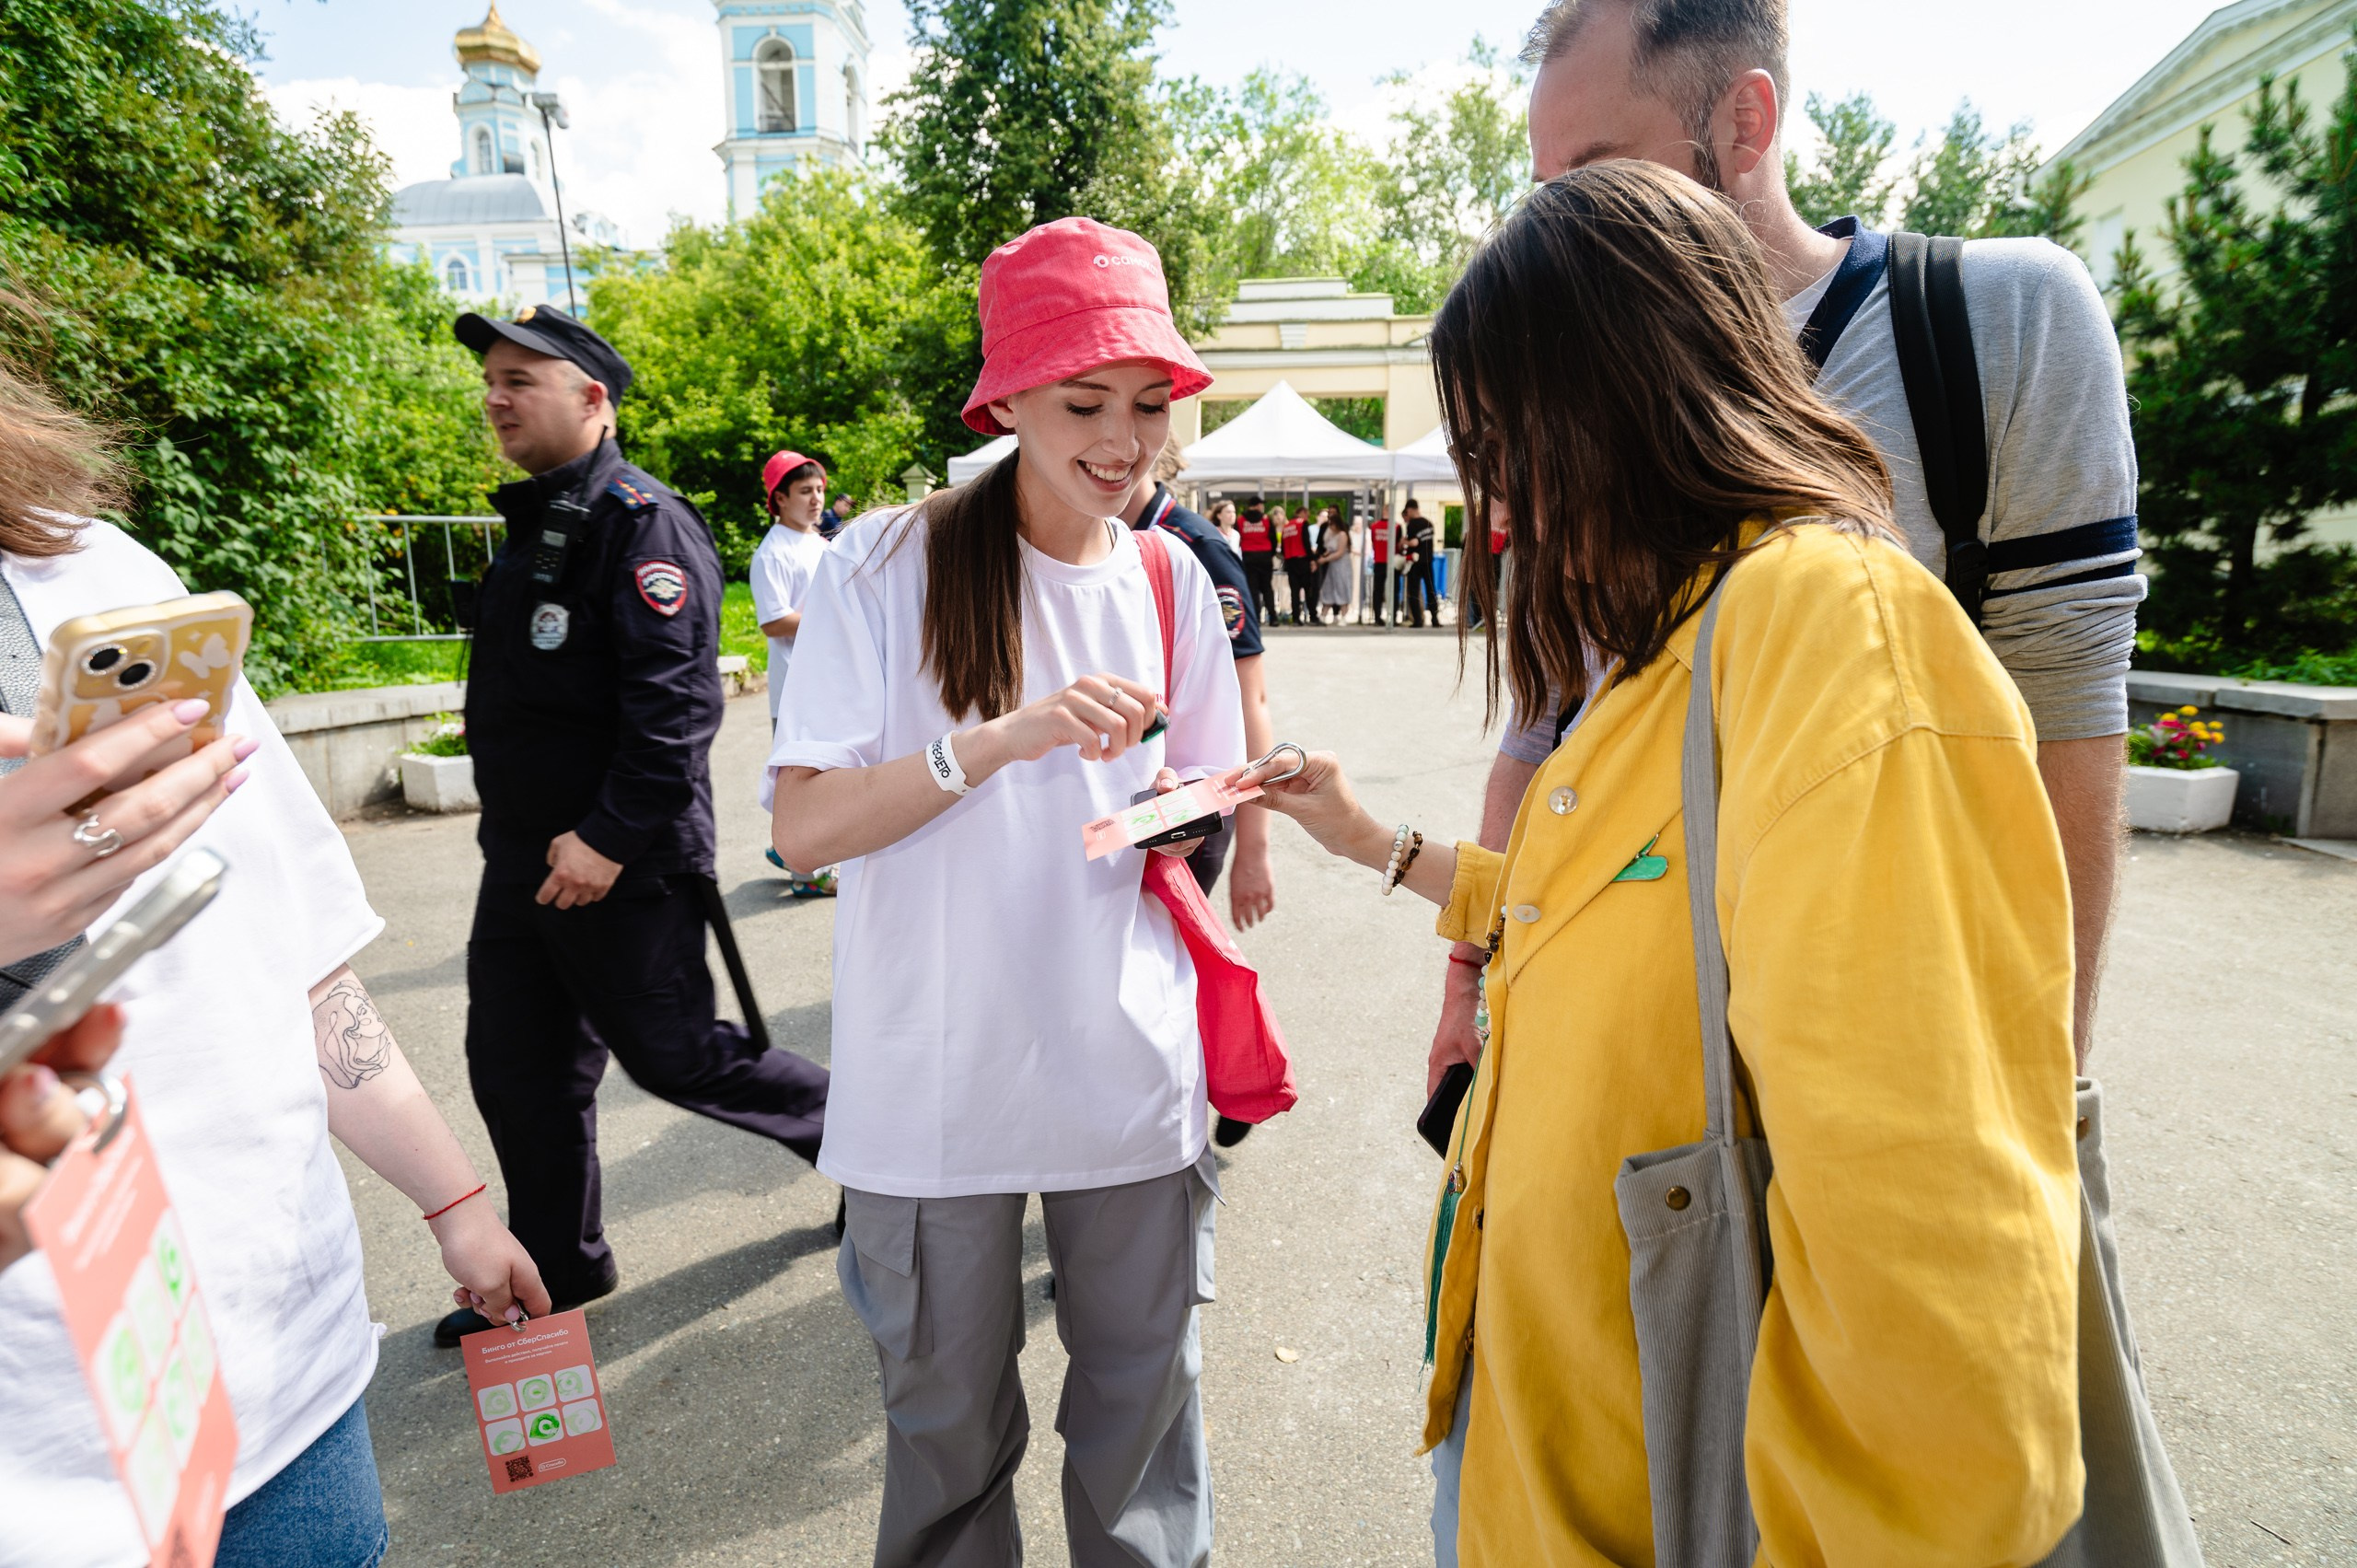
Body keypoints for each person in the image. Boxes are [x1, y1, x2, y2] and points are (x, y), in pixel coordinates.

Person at [1248, 161, 2084, 1568]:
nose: (1498, 505)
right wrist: (1369, 838)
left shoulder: (1830, 629)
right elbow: (1600, 904)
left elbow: (1930, 1282)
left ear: (1628, 394)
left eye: (1506, 442)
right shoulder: (1674, 647)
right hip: (1561, 1468)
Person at [1428, 0, 2142, 1105]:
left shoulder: (1999, 320)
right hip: (1615, 1051)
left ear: (1744, 122)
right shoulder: (1571, 382)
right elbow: (1547, 718)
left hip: (1871, 1050)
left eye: (1598, 170)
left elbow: (2067, 710)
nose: (1562, 220)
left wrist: (2042, 1089)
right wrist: (1466, 985)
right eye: (1546, 187)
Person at [0, 345, 548, 1568]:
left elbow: (287, 951)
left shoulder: (93, 569)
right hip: (35, 1469)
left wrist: (456, 1202)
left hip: (283, 1382)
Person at [767, 216, 1242, 1568]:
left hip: (1131, 1078)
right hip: (932, 1093)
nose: (1124, 439)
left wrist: (1198, 803)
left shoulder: (1171, 575)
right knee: (946, 1447)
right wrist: (994, 743)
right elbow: (803, 828)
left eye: (1148, 402)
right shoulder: (881, 563)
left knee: (1145, 1437)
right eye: (1086, 402)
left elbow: (1194, 806)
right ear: (1009, 398)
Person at [444, 304, 830, 1346]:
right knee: (518, 1069)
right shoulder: (541, 521)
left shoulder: (641, 521)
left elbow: (677, 708)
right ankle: (559, 1264)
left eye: (521, 379)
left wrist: (608, 837)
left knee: (680, 1055)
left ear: (593, 398)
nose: (496, 397)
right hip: (521, 862)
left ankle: (883, 1160)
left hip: (621, 863)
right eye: (492, 379)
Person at [1120, 453, 1278, 934]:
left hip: (1187, 803)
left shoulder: (1194, 548)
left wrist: (1253, 848)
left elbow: (1250, 697)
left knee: (1164, 951)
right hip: (1120, 806)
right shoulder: (1089, 536)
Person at [750, 449, 839, 895]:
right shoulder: (773, 552)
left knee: (829, 775)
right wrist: (834, 618)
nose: (816, 499)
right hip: (793, 688)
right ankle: (806, 875)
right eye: (805, 491)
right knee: (801, 783)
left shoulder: (821, 543)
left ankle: (790, 852)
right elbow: (773, 621)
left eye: (819, 489)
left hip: (828, 680)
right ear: (780, 499)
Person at [1237, 497, 1279, 625]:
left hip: (1248, 557)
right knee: (1267, 588)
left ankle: (1256, 618)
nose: (1262, 507)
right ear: (1256, 506)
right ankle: (1273, 617)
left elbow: (1238, 538)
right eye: (1261, 504)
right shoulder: (1266, 519)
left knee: (1252, 589)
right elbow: (1273, 539)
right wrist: (1270, 554)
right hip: (1265, 557)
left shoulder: (1240, 520)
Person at [1399, 500, 1439, 626]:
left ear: (1410, 510)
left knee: (1414, 591)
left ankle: (1418, 620)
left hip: (1415, 562)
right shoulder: (1429, 523)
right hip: (1428, 560)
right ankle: (1435, 619)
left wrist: (1404, 542)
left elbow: (1414, 542)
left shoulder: (1412, 524)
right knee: (1431, 590)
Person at [1277, 501, 1314, 624]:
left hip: (1290, 562)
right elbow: (1306, 542)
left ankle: (1296, 618)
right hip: (1302, 561)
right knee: (1308, 590)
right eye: (1307, 514)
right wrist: (1312, 559)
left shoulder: (1286, 526)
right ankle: (1312, 616)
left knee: (1294, 592)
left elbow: (1283, 548)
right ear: (1302, 513)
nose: (1307, 517)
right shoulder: (1302, 523)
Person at [1317, 507, 1353, 622]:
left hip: (1342, 565)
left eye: (1332, 525)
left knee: (1341, 588)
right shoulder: (1332, 534)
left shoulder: (1342, 534)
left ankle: (1343, 615)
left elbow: (1340, 552)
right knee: (1329, 588)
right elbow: (1330, 549)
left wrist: (1325, 559)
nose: (1331, 527)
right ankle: (1323, 614)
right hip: (1333, 566)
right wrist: (1323, 556)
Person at [1364, 509, 1393, 625]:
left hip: (1380, 561)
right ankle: (1391, 616)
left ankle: (1377, 617)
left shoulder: (1375, 527)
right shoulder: (1395, 526)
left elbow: (1374, 543)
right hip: (1389, 561)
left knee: (1378, 590)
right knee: (1391, 590)